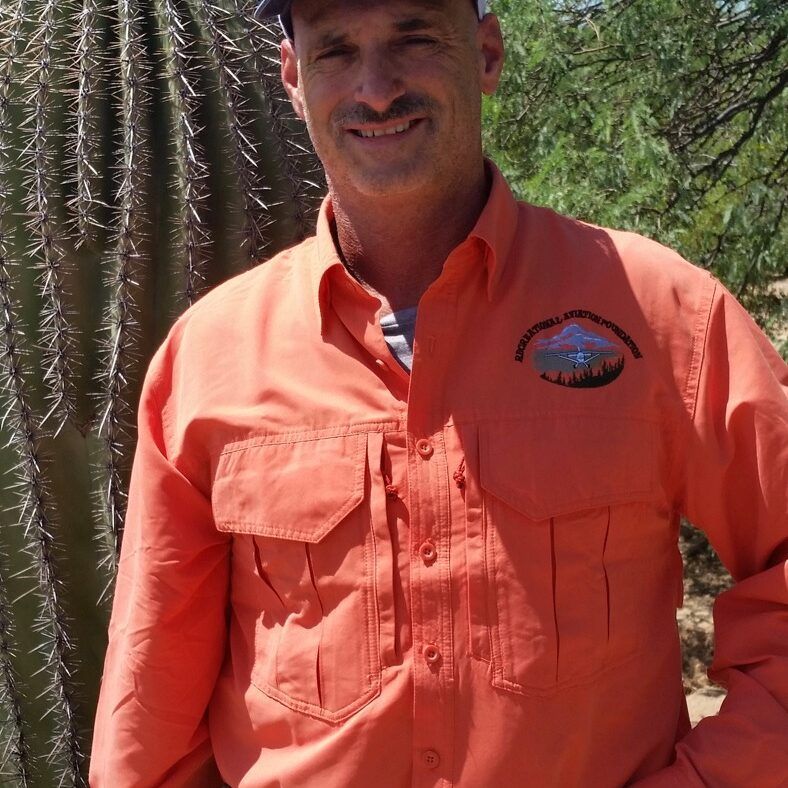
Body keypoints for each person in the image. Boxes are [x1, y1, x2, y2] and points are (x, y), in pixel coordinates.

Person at [90, 0, 788, 785]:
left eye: (414, 37)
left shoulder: (660, 315)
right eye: (336, 51)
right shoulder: (208, 358)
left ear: (486, 53)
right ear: (293, 77)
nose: (376, 87)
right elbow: (153, 702)